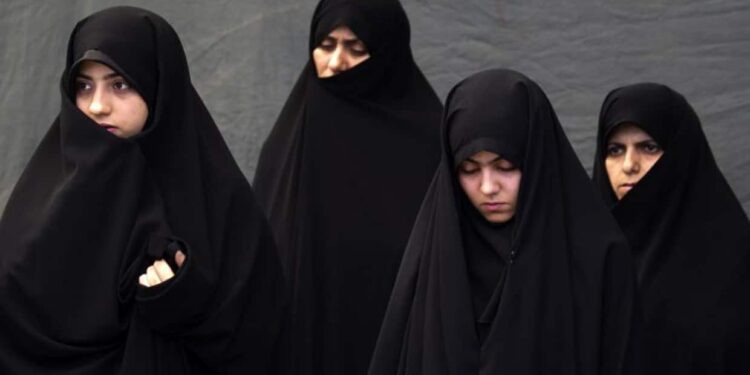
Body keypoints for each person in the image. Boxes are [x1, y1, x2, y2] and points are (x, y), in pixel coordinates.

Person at [0, 6, 285, 374]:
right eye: (83, 86)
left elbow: (260, 337)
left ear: (158, 84)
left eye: (120, 85)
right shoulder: (44, 196)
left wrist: (184, 304)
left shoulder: (221, 206)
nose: (98, 106)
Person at [369, 69, 636, 375]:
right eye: (469, 170)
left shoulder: (597, 259)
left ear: (536, 160)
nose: (487, 187)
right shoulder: (433, 258)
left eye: (505, 166)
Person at [252, 0, 442, 373]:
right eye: (326, 45)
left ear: (387, 52)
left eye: (356, 48)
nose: (337, 61)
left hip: (395, 346)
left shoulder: (428, 143)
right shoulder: (289, 139)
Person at [592, 83, 750, 374]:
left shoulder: (734, 262)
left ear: (680, 154)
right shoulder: (585, 257)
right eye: (615, 150)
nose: (629, 165)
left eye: (649, 147)